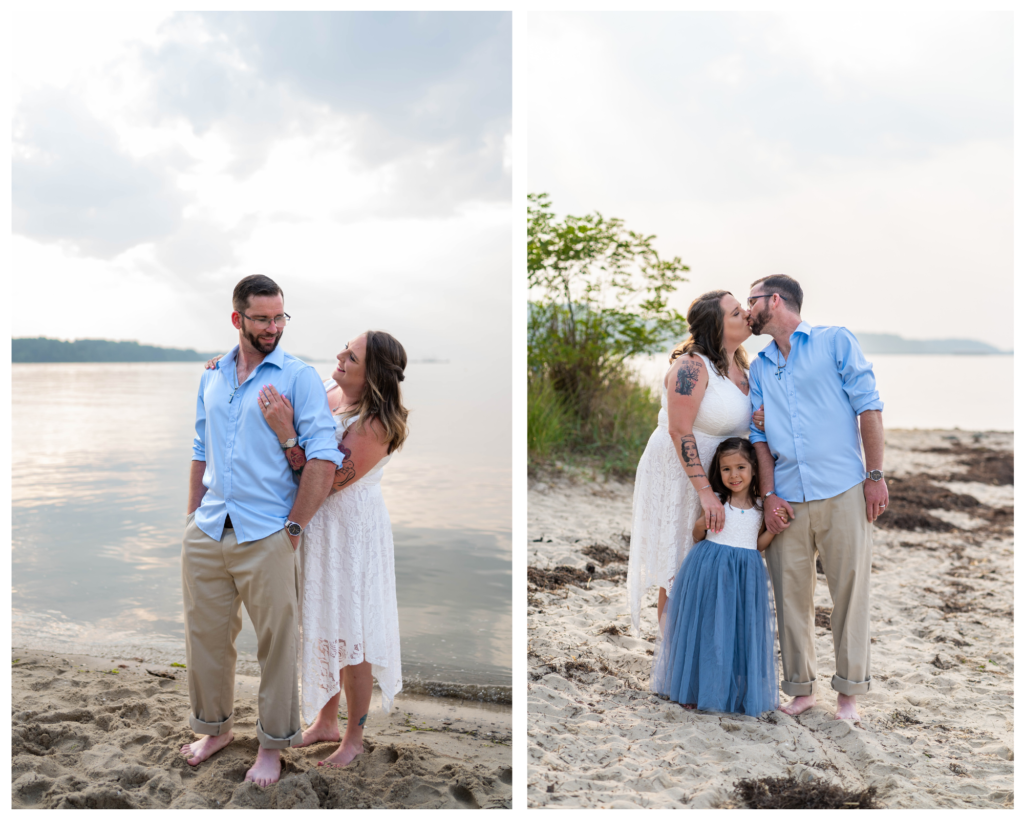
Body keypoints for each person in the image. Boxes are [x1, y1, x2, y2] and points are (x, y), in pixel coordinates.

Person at [207, 330, 408, 768]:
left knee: (353, 633)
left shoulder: (375, 424)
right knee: (324, 623)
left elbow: (327, 481)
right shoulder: (330, 390)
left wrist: (285, 433)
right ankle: (325, 722)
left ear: (371, 372)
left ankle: (353, 737)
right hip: (315, 527)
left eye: (351, 355)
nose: (339, 356)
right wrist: (225, 366)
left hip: (350, 532)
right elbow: (271, 383)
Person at [179, 275, 343, 787]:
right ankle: (216, 729)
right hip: (209, 529)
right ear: (238, 320)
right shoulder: (211, 376)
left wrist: (293, 527)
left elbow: (323, 456)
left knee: (276, 646)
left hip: (268, 532)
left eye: (279, 318)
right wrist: (191, 518)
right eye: (262, 319)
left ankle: (272, 746)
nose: (273, 328)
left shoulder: (299, 378)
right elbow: (200, 449)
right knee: (205, 638)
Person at [746, 274, 887, 722]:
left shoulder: (834, 342)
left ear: (774, 300)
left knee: (850, 591)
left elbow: (868, 406)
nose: (747, 311)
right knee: (790, 595)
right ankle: (801, 691)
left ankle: (848, 694)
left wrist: (875, 475)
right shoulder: (761, 366)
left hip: (844, 487)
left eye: (751, 301)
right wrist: (768, 495)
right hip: (786, 495)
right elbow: (758, 437)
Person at [626, 291, 761, 636]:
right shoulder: (692, 365)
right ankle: (672, 659)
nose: (746, 314)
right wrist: (705, 492)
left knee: (711, 559)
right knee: (681, 562)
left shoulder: (741, 367)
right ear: (716, 326)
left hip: (721, 472)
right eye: (735, 312)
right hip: (682, 474)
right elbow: (679, 429)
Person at [650, 437, 783, 716]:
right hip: (709, 567)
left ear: (754, 469)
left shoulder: (760, 507)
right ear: (718, 472)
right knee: (707, 628)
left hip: (743, 575)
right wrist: (702, 523)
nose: (734, 475)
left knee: (734, 630)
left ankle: (728, 689)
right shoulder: (716, 500)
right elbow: (698, 535)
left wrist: (774, 529)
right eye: (726, 469)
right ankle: (694, 689)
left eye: (741, 467)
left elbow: (757, 546)